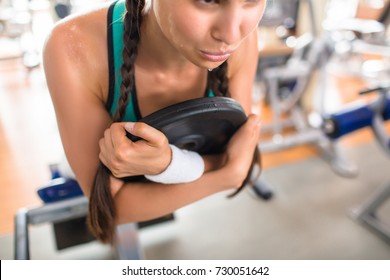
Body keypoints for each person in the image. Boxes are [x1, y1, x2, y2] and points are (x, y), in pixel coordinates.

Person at [43, 0, 265, 244]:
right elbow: (110, 205)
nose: (232, 34)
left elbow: (242, 154)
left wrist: (167, 163)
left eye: (252, 0)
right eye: (207, 0)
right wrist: (226, 174)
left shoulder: (244, 40)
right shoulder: (71, 45)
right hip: (78, 164)